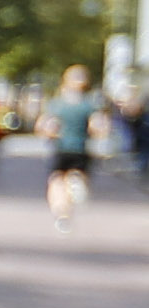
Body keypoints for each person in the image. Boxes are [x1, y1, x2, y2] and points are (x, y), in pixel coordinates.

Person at [46, 66, 101, 223]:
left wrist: (51, 134)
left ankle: (61, 211)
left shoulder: (57, 104)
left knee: (56, 180)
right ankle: (76, 181)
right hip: (81, 148)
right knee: (76, 173)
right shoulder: (88, 104)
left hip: (62, 148)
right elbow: (96, 126)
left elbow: (48, 126)